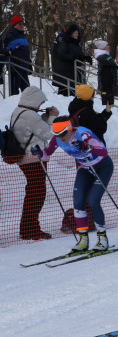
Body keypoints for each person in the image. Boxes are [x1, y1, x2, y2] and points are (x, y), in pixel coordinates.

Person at [37, 116, 114, 253]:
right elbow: (47, 154)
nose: (61, 138)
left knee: (93, 201)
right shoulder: (58, 139)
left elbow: (103, 151)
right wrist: (39, 153)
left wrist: (86, 147)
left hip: (102, 167)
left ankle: (102, 239)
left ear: (69, 129)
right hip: (85, 168)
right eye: (57, 135)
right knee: (78, 202)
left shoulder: (83, 134)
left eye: (63, 134)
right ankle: (83, 240)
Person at [7, 86, 57, 240]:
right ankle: (30, 229)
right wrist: (52, 117)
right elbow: (48, 133)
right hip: (33, 159)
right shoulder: (30, 116)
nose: (41, 106)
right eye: (40, 102)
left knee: (33, 192)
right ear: (34, 99)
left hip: (24, 158)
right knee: (37, 194)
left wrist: (44, 118)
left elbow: (32, 130)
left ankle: (27, 227)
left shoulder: (18, 111)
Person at [50, 22, 90, 96]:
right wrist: (73, 57)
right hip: (66, 73)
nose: (77, 35)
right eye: (75, 33)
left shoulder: (74, 43)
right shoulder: (63, 40)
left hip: (74, 74)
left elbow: (77, 54)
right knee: (65, 94)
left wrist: (84, 58)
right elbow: (61, 54)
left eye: (78, 33)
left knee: (73, 94)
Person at [3, 15, 32, 95]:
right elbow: (7, 51)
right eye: (20, 24)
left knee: (27, 92)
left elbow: (25, 51)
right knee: (14, 92)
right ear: (15, 25)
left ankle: (27, 106)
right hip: (15, 68)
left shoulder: (22, 35)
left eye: (23, 23)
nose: (22, 25)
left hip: (24, 67)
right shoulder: (10, 36)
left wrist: (29, 63)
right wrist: (10, 65)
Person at [94, 40, 118, 110]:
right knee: (108, 103)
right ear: (104, 47)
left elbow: (116, 65)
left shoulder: (105, 56)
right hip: (106, 84)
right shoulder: (103, 57)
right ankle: (105, 116)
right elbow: (117, 64)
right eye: (107, 45)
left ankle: (107, 114)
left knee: (110, 103)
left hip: (108, 84)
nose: (109, 46)